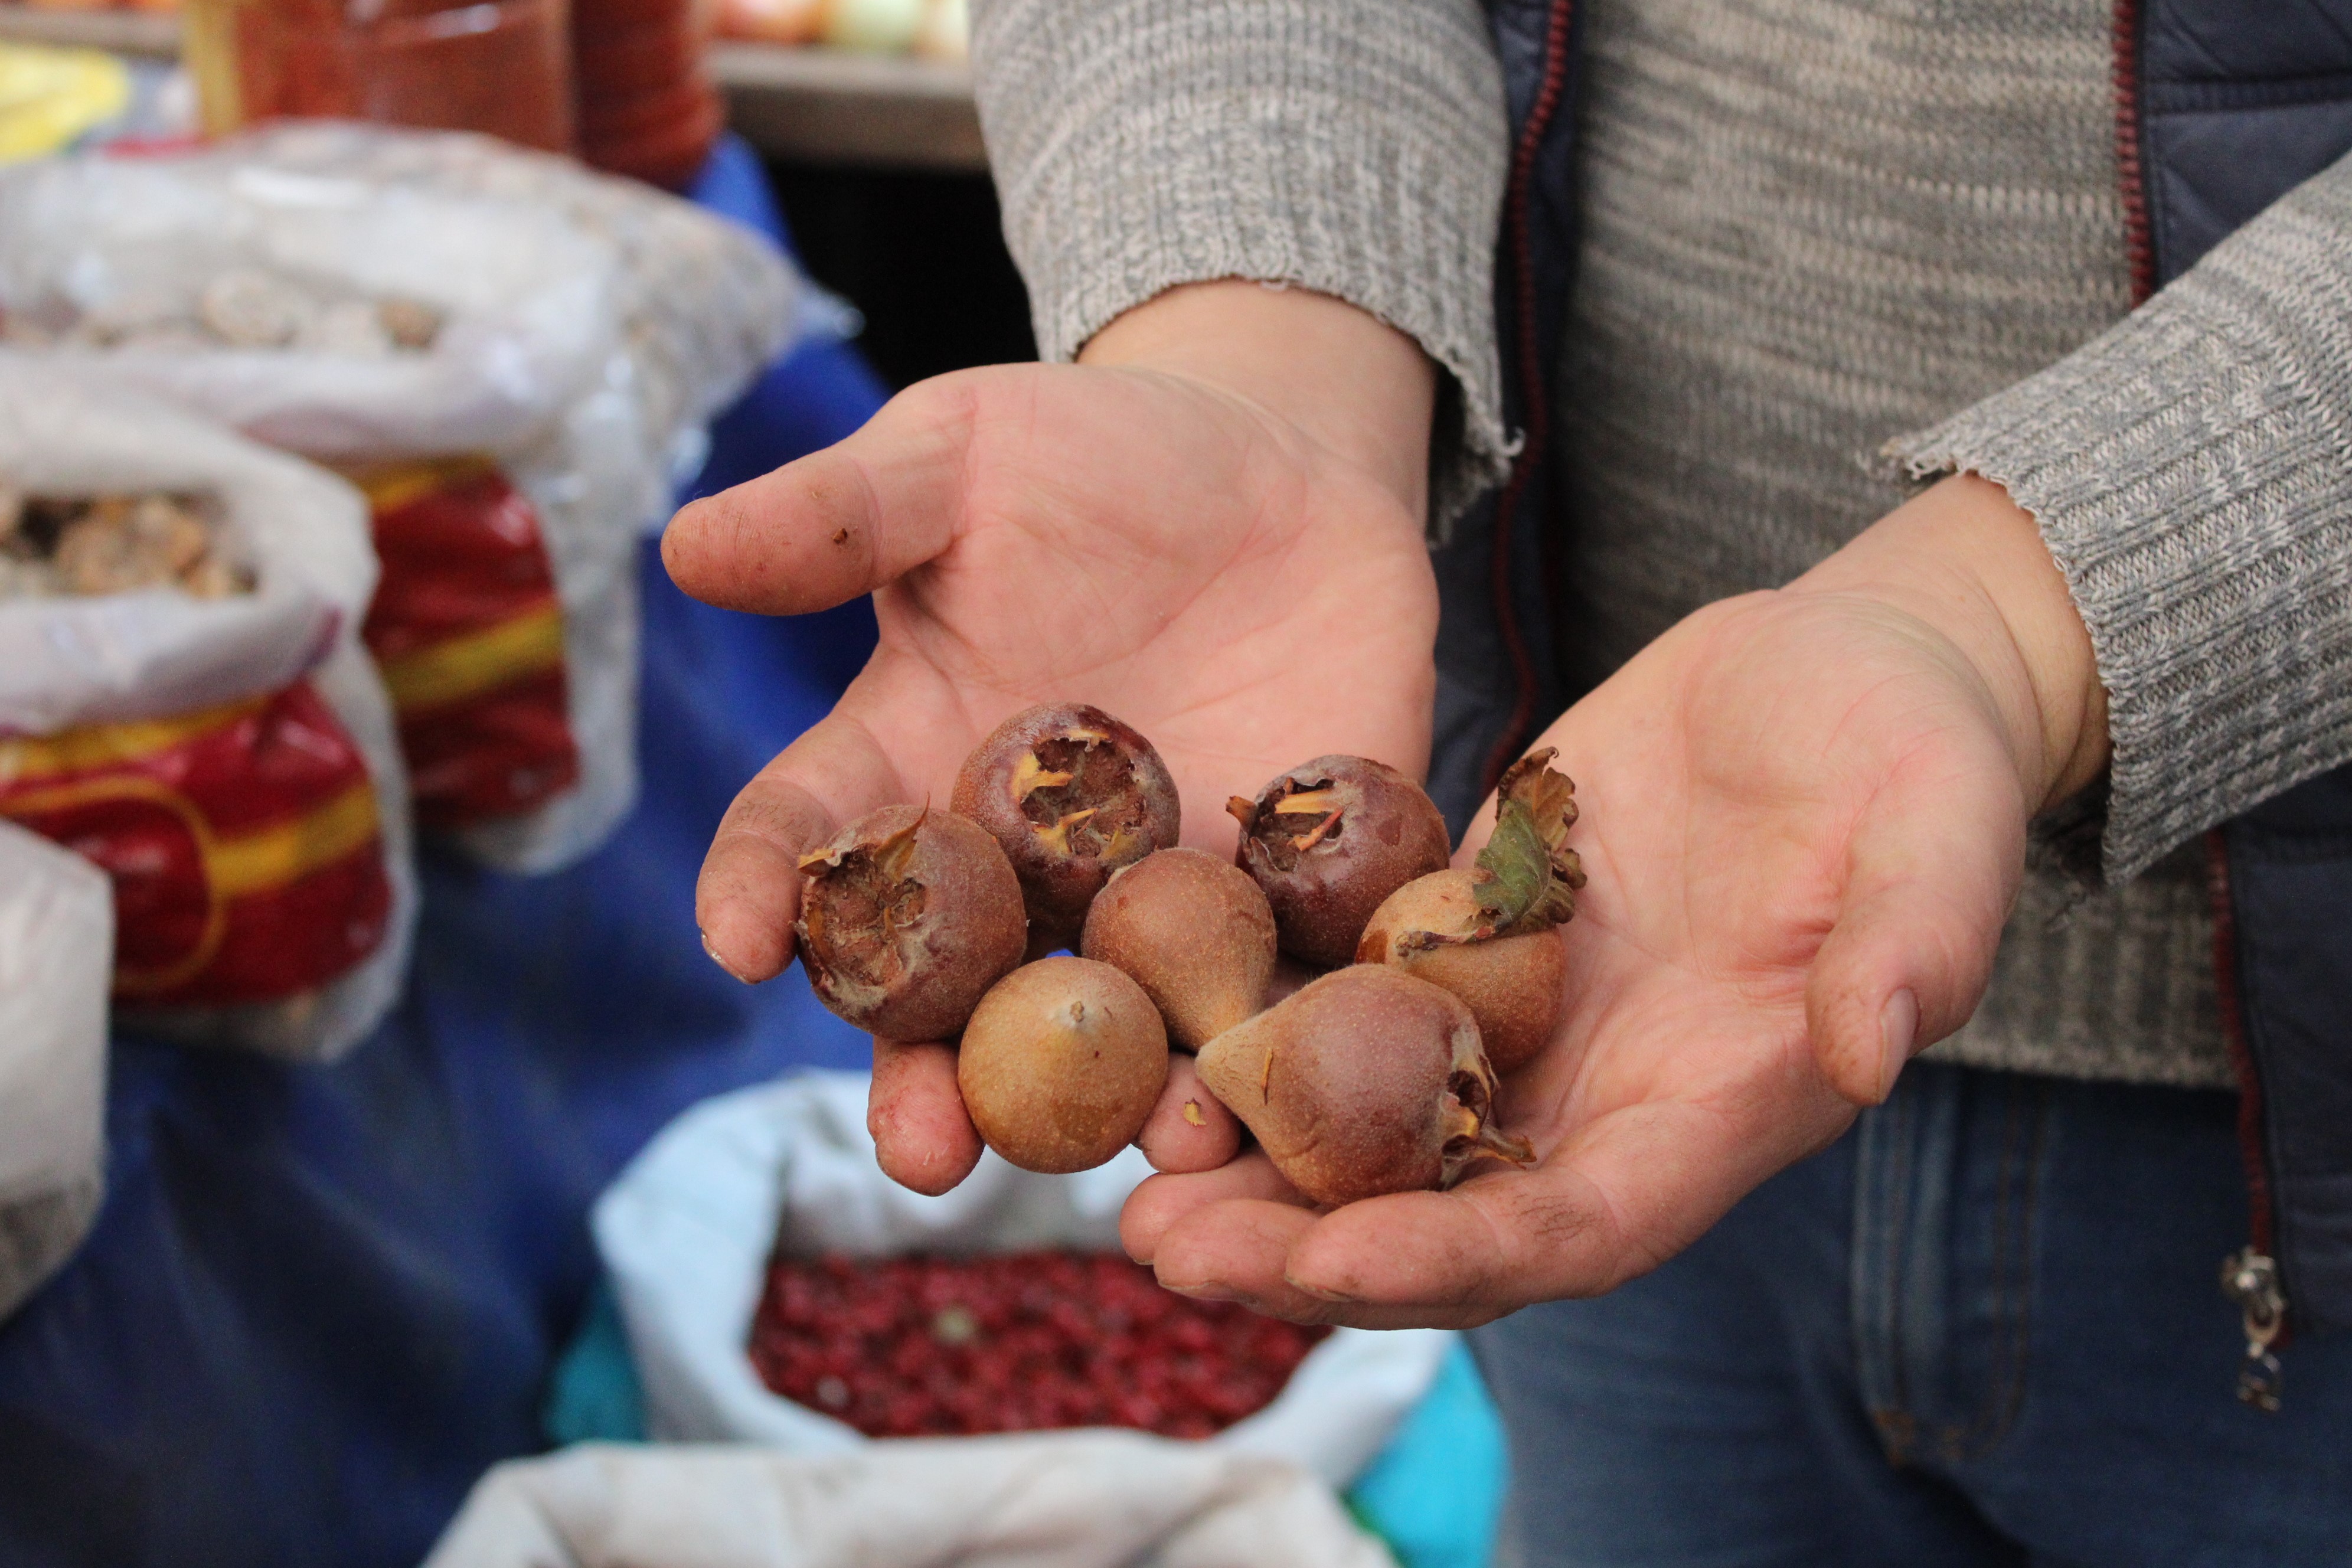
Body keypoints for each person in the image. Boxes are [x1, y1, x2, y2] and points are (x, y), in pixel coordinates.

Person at [663, 2, 2352, 1560]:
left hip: (2293, 1100)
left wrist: (2017, 620)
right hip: (1613, 908)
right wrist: (1262, 359)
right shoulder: (1359, 954)